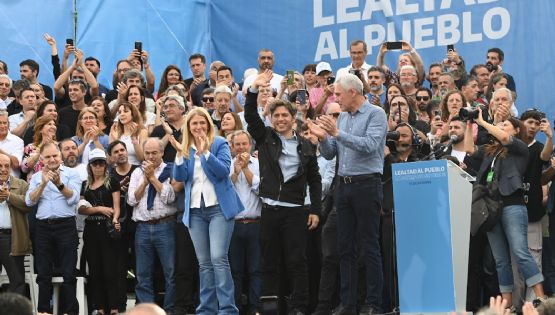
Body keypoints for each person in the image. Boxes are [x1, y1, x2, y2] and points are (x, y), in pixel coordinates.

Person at [308, 73, 388, 314]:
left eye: (339, 94)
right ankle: (348, 302)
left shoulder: (376, 114)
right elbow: (332, 153)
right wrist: (323, 139)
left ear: (353, 92)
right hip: (343, 187)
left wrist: (336, 133)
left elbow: (370, 146)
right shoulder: (341, 118)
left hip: (367, 185)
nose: (337, 99)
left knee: (369, 245)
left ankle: (373, 302)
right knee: (345, 247)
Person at [245, 70, 321, 315]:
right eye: (276, 115)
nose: (280, 119)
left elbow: (315, 180)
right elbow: (249, 116)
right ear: (272, 117)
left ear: (292, 117)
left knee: (297, 263)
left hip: (296, 213)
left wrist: (316, 210)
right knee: (270, 263)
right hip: (270, 211)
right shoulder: (265, 137)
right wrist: (254, 90)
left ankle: (299, 308)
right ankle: (271, 307)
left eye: (284, 115)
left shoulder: (306, 144)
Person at [464, 109, 547, 311]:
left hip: (512, 204)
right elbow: (469, 149)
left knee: (520, 252)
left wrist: (482, 122)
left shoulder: (520, 147)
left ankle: (541, 297)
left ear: (516, 130)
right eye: (499, 125)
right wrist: (469, 124)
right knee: (500, 260)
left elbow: (503, 137)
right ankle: (507, 302)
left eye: (505, 125)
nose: (500, 128)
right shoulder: (491, 150)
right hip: (491, 207)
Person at [173, 107, 243, 315]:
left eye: (202, 122)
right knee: (204, 263)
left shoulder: (219, 143)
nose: (198, 127)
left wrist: (205, 153)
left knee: (218, 258)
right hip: (195, 211)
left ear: (208, 124)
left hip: (219, 209)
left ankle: (228, 309)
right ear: (188, 127)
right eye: (194, 123)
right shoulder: (186, 148)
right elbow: (180, 176)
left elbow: (222, 172)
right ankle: (206, 309)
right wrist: (178, 155)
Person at [25, 142, 82, 315]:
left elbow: (74, 199)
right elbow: (29, 201)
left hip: (66, 226)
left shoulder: (72, 173)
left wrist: (59, 184)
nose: (52, 159)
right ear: (41, 158)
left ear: (60, 155)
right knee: (43, 273)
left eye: (55, 156)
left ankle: (70, 312)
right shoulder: (35, 177)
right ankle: (44, 311)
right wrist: (42, 184)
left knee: (69, 273)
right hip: (43, 228)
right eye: (48, 157)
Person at [128, 138, 177, 312]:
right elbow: (131, 199)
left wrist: (153, 178)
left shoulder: (171, 169)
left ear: (162, 152)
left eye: (154, 153)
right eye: (147, 153)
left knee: (171, 273)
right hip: (142, 227)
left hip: (165, 226)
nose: (150, 156)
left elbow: (171, 198)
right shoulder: (136, 173)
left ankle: (169, 310)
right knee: (142, 275)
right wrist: (145, 180)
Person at [78, 148, 122, 315]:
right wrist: (99, 209)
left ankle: (114, 307)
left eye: (101, 163)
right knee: (95, 270)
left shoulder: (112, 182)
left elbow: (116, 208)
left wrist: (115, 219)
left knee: (110, 270)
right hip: (90, 229)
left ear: (105, 165)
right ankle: (100, 307)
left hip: (106, 228)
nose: (98, 166)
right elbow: (82, 209)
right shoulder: (85, 185)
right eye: (95, 163)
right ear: (90, 166)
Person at [229, 130, 262, 314]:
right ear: (232, 147)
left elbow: (261, 190)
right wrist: (236, 171)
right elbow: (226, 188)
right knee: (235, 271)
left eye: (244, 144)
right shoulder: (227, 164)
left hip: (255, 223)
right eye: (237, 144)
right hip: (234, 225)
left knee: (256, 269)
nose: (241, 147)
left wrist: (246, 169)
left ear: (250, 145)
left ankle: (255, 308)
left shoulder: (258, 164)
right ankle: (235, 308)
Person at [108, 140, 139, 311]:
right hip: (118, 225)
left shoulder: (138, 171)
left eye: (122, 150)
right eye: (116, 151)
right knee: (118, 267)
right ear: (111, 157)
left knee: (139, 266)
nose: (120, 153)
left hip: (136, 223)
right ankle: (119, 305)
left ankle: (141, 305)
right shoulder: (109, 175)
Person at [0, 153, 31, 296]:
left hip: (11, 237)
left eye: (7, 166)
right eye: (0, 166)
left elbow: (28, 205)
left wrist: (9, 197)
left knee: (17, 280)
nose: (3, 169)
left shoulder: (21, 184)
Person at [150, 95, 187, 162]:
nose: (168, 109)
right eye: (165, 107)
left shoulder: (190, 128)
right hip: (165, 169)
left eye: (171, 106)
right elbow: (152, 153)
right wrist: (168, 134)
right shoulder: (159, 129)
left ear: (182, 109)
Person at [20, 115, 58, 181]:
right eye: (49, 124)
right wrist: (41, 147)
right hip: (35, 185)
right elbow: (24, 168)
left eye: (54, 124)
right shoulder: (30, 147)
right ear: (40, 129)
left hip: (55, 184)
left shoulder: (60, 146)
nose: (53, 126)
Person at [0, 112, 24, 177]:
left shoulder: (17, 141)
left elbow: (16, 164)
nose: (2, 126)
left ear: (8, 125)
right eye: (0, 123)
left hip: (11, 184)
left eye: (5, 123)